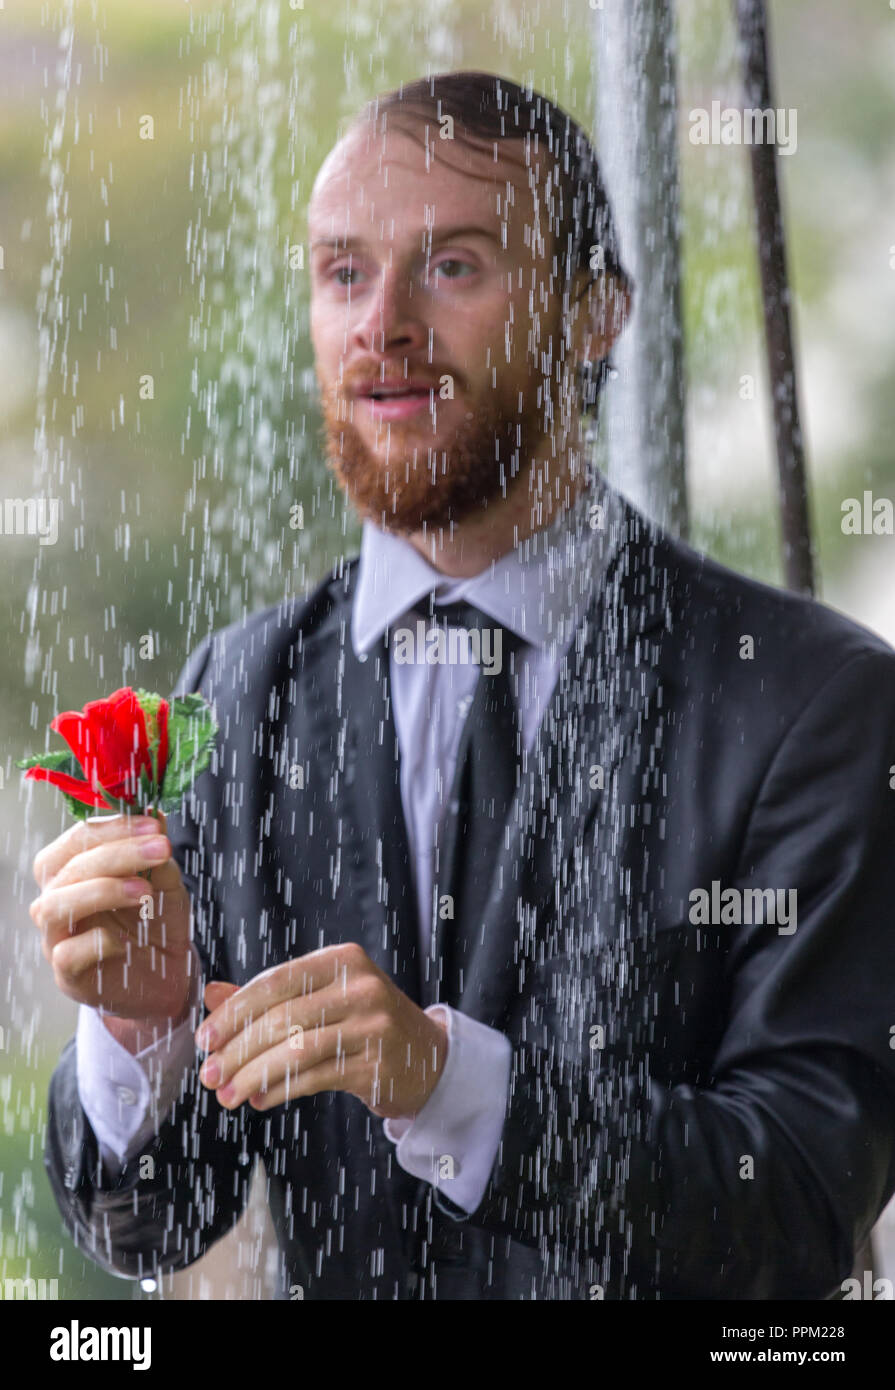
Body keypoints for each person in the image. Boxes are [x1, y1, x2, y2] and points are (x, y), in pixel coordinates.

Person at [34, 70, 895, 1301]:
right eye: (343, 273)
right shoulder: (244, 685)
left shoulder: (815, 705)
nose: (381, 324)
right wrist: (143, 1031)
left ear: (594, 315)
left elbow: (803, 1197)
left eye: (451, 266)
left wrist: (445, 1085)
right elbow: (150, 1226)